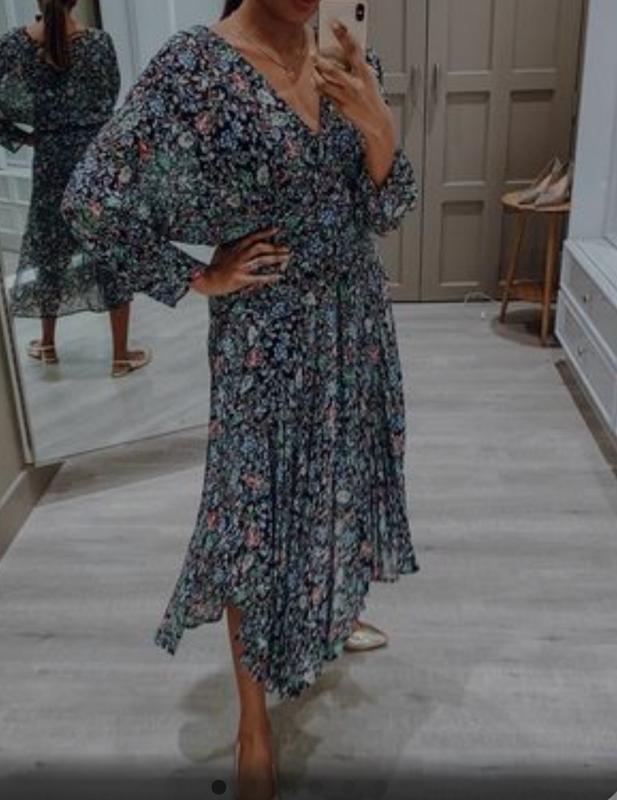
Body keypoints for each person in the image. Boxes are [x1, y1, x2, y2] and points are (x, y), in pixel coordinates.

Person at [61, 0, 421, 796]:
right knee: (250, 519)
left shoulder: (344, 56)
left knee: (338, 486)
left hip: (354, 320)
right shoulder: (195, 67)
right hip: (265, 335)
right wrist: (198, 275)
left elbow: (385, 208)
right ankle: (253, 721)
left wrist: (376, 123)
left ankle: (329, 611)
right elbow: (91, 198)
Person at [0, 0, 150, 378]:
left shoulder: (14, 44)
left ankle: (48, 345)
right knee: (110, 247)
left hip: (50, 157)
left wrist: (23, 136)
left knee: (48, 248)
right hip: (95, 156)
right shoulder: (98, 42)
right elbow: (110, 98)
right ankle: (120, 357)